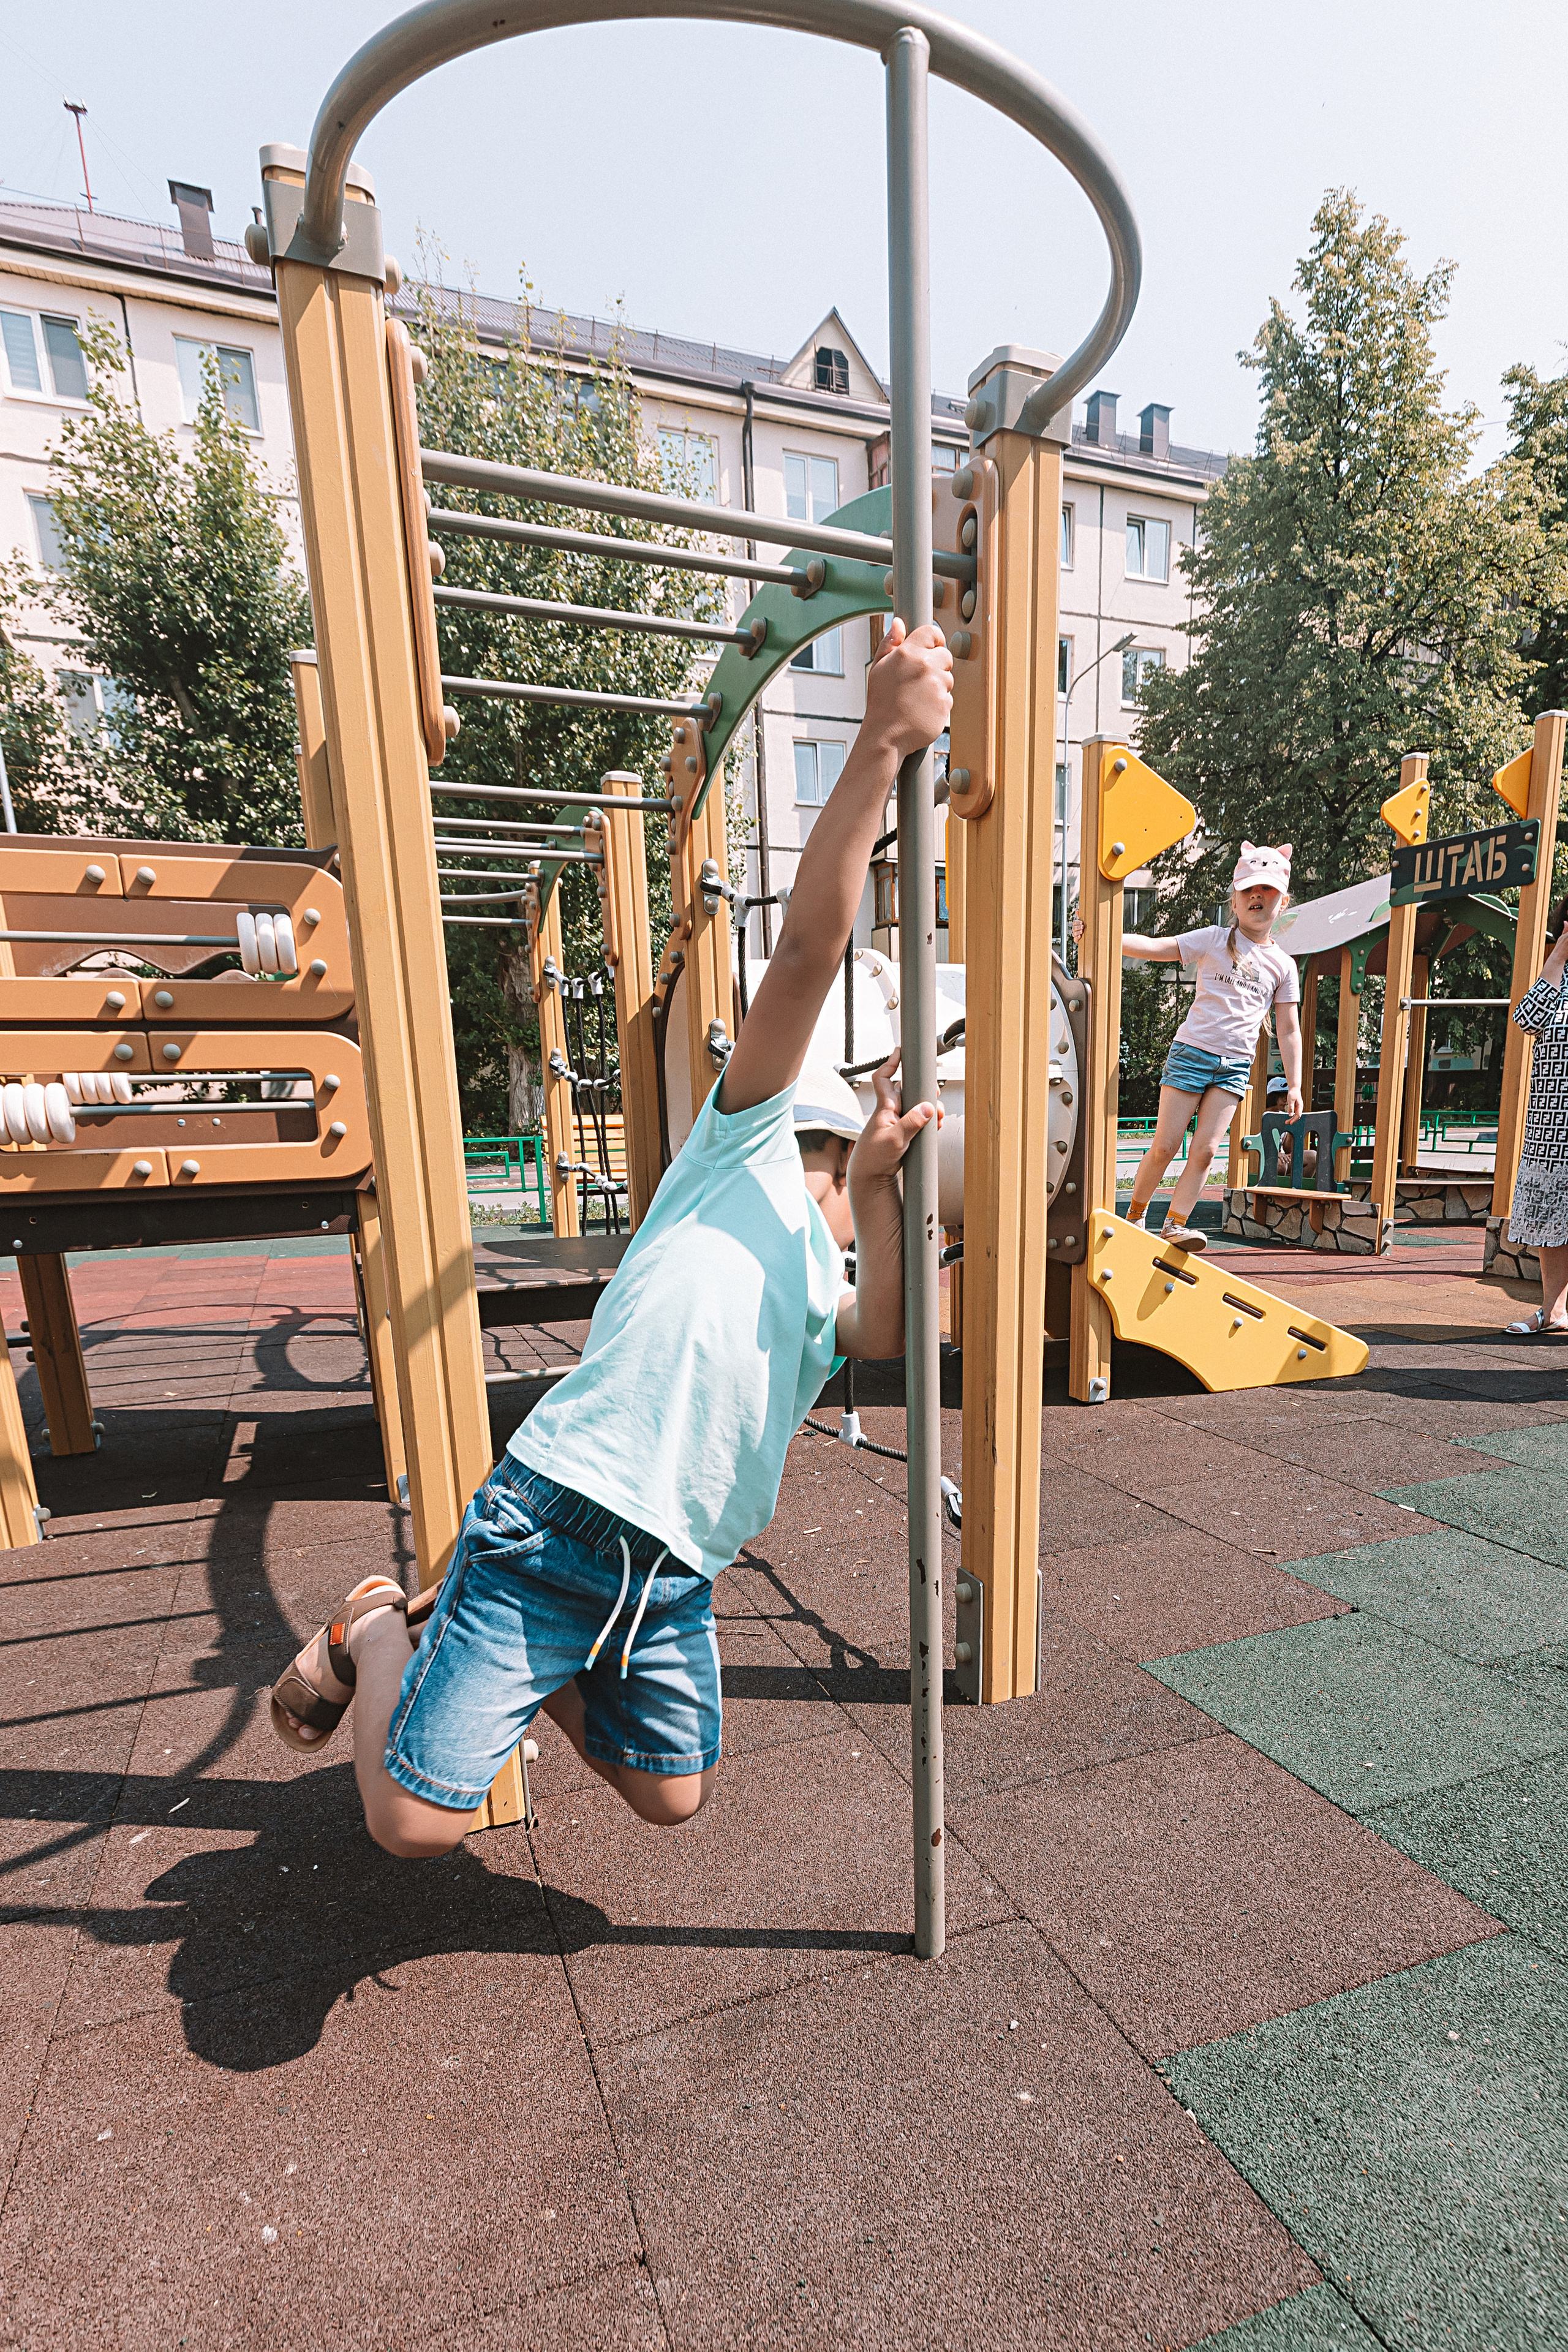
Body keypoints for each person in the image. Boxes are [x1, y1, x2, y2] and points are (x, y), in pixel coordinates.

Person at [268, 617, 953, 1856]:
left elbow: (892, 1333)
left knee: (671, 1795)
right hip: (556, 1515)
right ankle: (379, 1628)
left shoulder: (826, 1266)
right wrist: (876, 747)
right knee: (411, 1823)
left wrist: (891, 1200)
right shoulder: (726, 1153)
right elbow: (806, 949)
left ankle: (520, 1667)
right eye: (834, 1155)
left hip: (670, 1571)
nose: (830, 1174)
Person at [1089, 842, 1303, 1251]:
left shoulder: (1284, 966)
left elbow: (1288, 1029)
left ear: (1284, 902)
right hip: (1193, 1053)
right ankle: (1135, 1215)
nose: (1258, 897)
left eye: (1268, 891)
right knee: (1167, 1145)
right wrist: (1105, 935)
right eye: (1248, 891)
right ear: (1236, 902)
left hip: (1235, 1065)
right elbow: (1158, 949)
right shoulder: (1214, 940)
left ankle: (1175, 1225)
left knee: (1205, 1152)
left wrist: (1293, 1086)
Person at [1502, 892, 1568, 1338]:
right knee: (1552, 1226)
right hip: (1551, 1126)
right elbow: (1526, 1019)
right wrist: (1559, 955)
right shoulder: (1558, 979)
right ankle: (1552, 1311)